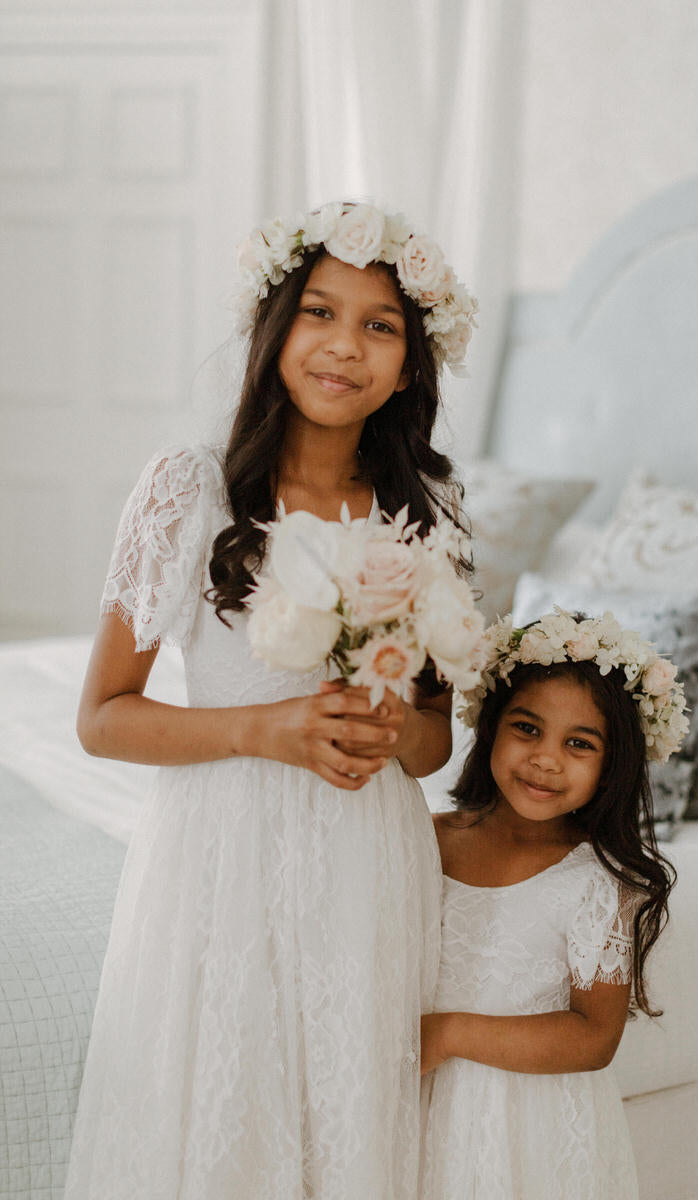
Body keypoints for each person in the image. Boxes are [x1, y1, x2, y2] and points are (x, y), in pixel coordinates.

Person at [64, 202, 477, 1200]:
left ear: (411, 362)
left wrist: (396, 732)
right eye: (319, 314)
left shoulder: (427, 508)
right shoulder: (188, 487)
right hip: (220, 859)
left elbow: (432, 745)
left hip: (368, 866)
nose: (345, 347)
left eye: (379, 326)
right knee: (220, 1123)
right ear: (273, 328)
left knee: (346, 1127)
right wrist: (267, 728)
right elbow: (104, 717)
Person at [419, 610, 687, 1199]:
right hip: (417, 1100)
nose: (546, 758)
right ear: (490, 727)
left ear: (612, 765)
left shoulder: (595, 882)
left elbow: (594, 1037)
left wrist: (447, 1035)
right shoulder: (424, 840)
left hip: (529, 1130)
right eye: (527, 729)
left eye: (579, 744)